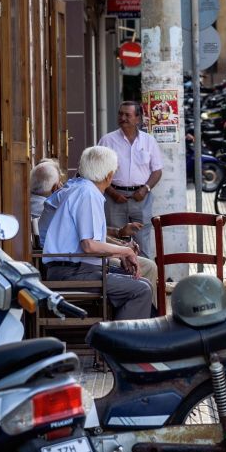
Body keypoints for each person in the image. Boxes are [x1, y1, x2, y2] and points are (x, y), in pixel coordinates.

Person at [42, 146, 152, 320]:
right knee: (140, 290)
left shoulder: (80, 187)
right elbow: (89, 245)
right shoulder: (87, 193)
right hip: (72, 273)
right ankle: (120, 343)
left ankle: (122, 336)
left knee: (141, 283)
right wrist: (126, 251)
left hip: (74, 269)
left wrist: (120, 252)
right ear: (108, 175)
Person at [39, 179, 160, 307]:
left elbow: (92, 235)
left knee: (142, 281)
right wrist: (122, 251)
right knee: (142, 281)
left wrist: (120, 242)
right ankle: (144, 319)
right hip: (75, 267)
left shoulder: (78, 191)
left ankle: (145, 316)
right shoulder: (84, 193)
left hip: (80, 263)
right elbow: (89, 244)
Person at [98, 101, 163, 257]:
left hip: (141, 198)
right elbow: (98, 171)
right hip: (114, 197)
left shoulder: (149, 141)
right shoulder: (107, 140)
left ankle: (144, 279)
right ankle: (120, 278)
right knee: (115, 242)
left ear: (138, 119)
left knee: (142, 243)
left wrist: (145, 189)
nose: (123, 118)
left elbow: (157, 171)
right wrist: (113, 193)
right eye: (121, 114)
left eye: (128, 115)